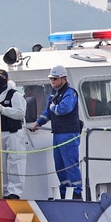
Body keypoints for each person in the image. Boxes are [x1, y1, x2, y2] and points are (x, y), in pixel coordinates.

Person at [29, 64, 83, 199]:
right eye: (51, 79)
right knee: (59, 164)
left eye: (55, 79)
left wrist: (54, 108)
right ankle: (64, 190)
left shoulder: (70, 93)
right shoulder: (54, 93)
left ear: (63, 79)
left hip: (69, 133)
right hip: (58, 133)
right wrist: (38, 123)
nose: (52, 81)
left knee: (70, 163)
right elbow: (48, 111)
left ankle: (77, 192)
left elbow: (64, 108)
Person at [0, 68, 26, 199]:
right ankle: (3, 191)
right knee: (0, 164)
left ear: (6, 80)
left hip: (13, 133)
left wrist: (3, 109)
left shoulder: (15, 95)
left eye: (0, 79)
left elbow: (20, 113)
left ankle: (15, 192)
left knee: (16, 161)